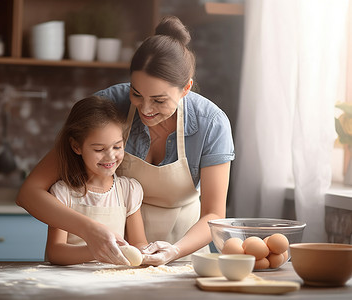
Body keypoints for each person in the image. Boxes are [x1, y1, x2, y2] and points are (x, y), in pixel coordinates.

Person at [16, 15, 234, 266]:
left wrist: (174, 251)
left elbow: (214, 214)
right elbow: (29, 193)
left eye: (159, 100)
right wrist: (89, 231)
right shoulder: (108, 108)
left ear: (186, 88)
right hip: (108, 261)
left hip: (183, 255)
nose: (146, 109)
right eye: (136, 93)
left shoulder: (211, 124)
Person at [44, 96, 148, 265]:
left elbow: (139, 243)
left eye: (117, 146)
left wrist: (146, 251)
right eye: (99, 149)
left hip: (112, 282)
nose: (110, 156)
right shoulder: (63, 193)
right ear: (77, 147)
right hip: (70, 283)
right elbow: (56, 252)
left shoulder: (128, 191)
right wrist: (96, 250)